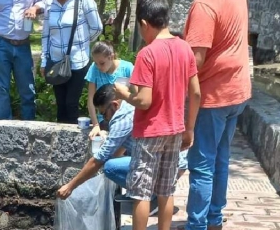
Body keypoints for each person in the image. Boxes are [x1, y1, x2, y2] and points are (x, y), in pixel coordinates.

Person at [108, 0, 201, 230]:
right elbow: (195, 92)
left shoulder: (147, 54)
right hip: (174, 130)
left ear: (145, 23)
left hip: (150, 133)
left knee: (140, 192)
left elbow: (145, 101)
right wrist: (190, 128)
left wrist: (124, 93)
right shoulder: (185, 48)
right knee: (166, 190)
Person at [167, 0, 251, 230]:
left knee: (201, 162)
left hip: (214, 96)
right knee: (221, 158)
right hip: (238, 91)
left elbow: (195, 63)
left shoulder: (203, 3)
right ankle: (214, 217)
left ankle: (196, 226)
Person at [56, 84, 188, 213]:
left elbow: (99, 160)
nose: (105, 119)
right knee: (114, 162)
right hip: (173, 159)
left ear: (114, 105)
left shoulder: (121, 120)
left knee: (110, 167)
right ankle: (147, 191)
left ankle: (151, 196)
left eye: (104, 114)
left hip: (167, 164)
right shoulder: (130, 104)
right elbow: (119, 148)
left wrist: (70, 186)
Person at [40, 0, 102, 125]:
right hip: (56, 62)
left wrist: (81, 42)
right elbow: (45, 34)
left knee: (71, 103)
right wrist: (44, 61)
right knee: (60, 104)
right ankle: (59, 142)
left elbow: (96, 27)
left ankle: (73, 143)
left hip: (77, 62)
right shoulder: (49, 2)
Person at [85, 42, 134, 139]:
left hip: (124, 117)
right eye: (96, 63)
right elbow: (90, 99)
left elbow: (136, 94)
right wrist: (95, 125)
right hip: (104, 117)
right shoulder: (94, 69)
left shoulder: (127, 68)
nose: (99, 67)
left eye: (102, 63)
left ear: (111, 57)